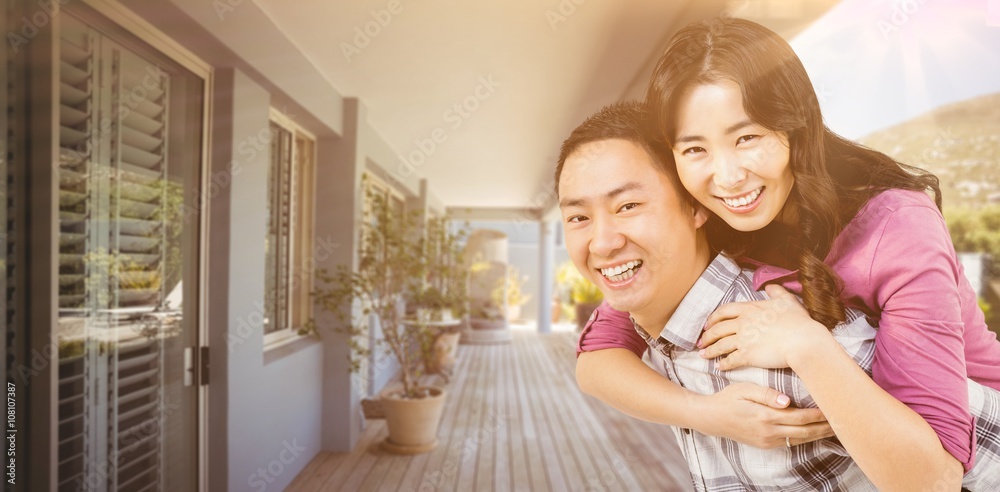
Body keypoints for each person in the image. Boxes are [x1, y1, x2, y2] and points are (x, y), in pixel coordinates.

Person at [576, 17, 1000, 490]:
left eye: (747, 137)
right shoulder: (711, 215)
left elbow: (933, 477)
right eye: (695, 149)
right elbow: (598, 358)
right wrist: (710, 414)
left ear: (794, 126)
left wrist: (805, 345)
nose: (728, 176)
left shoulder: (896, 224)